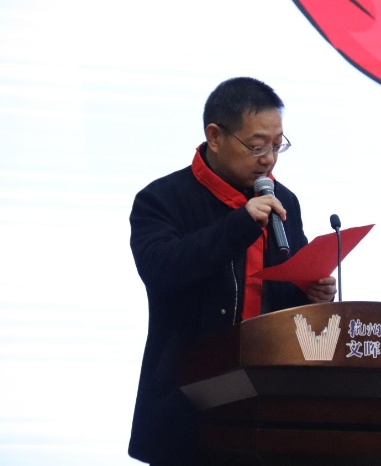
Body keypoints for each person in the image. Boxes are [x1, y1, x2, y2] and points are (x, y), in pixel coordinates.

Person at [127, 77, 337, 465]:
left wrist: (312, 292)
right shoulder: (162, 199)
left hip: (271, 406)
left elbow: (282, 291)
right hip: (187, 407)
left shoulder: (283, 200)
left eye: (277, 145)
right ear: (215, 136)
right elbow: (161, 270)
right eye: (257, 146)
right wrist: (239, 224)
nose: (269, 159)